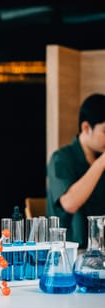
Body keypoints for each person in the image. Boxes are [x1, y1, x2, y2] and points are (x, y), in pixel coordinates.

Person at [47, 93, 105, 248]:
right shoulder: (61, 158)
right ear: (86, 127)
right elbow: (70, 203)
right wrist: (101, 163)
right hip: (68, 252)